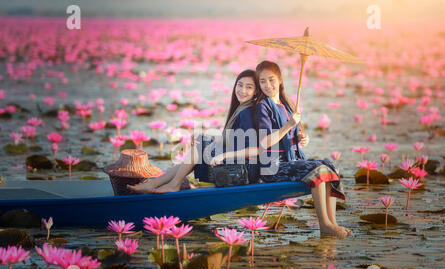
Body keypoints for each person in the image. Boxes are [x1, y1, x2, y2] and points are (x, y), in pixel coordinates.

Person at [253, 60, 351, 238]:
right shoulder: (263, 106)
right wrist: (288, 125)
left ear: (280, 80)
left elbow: (293, 137)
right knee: (318, 170)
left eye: (272, 80)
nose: (267, 85)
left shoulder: (287, 104)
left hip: (292, 161)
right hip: (272, 166)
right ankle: (325, 224)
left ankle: (333, 222)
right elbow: (264, 143)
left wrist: (302, 138)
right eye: (263, 81)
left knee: (330, 166)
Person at [127, 69, 260, 194]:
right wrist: (207, 137)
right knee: (200, 144)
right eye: (240, 85)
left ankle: (171, 184)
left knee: (200, 146)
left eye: (249, 87)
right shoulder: (242, 109)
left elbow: (253, 148)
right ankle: (158, 184)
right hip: (237, 166)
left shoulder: (247, 113)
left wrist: (222, 155)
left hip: (242, 172)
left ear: (255, 91)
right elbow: (231, 141)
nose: (242, 90)